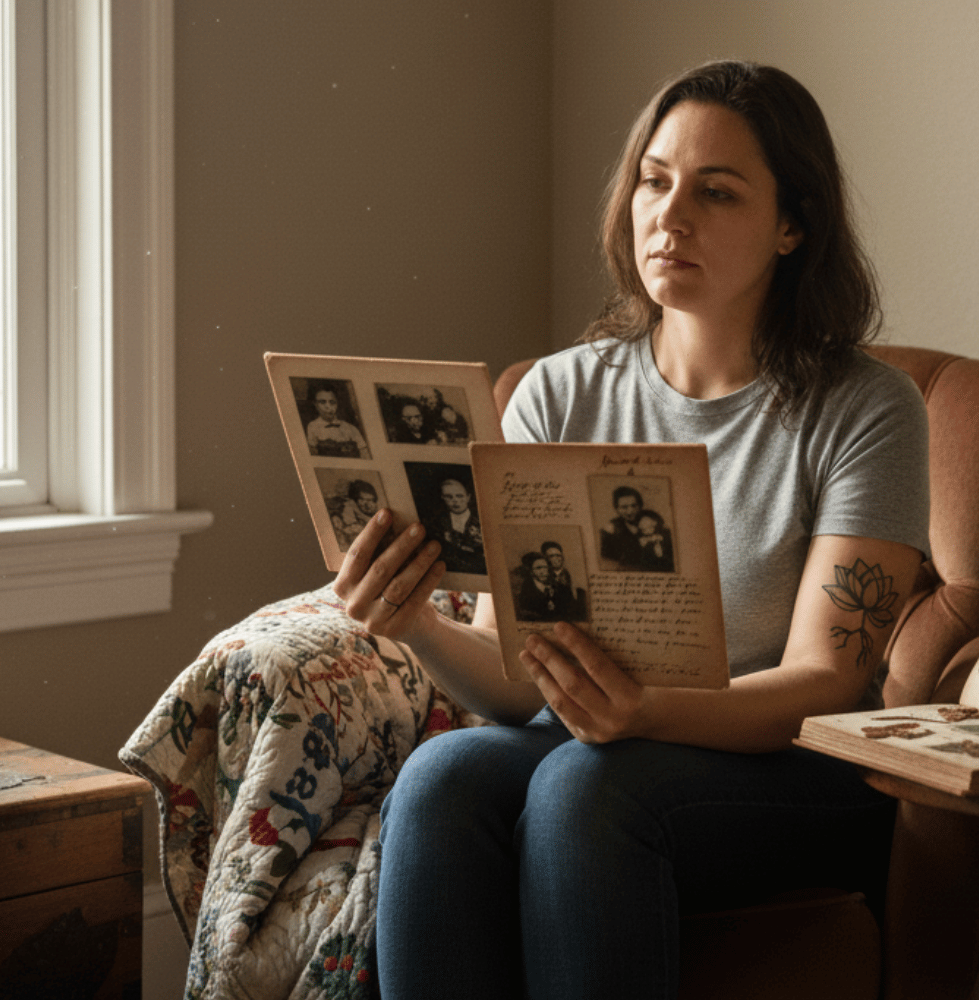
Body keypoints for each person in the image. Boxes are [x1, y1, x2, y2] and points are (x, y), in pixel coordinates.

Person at [333, 60, 928, 1000]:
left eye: (716, 191)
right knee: (443, 774)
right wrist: (414, 621)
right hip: (605, 745)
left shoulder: (867, 409)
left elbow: (829, 682)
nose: (671, 214)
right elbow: (515, 677)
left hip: (786, 770)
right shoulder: (558, 392)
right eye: (654, 180)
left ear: (792, 225)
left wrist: (642, 712)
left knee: (583, 788)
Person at [426, 476, 485, 574]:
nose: (455, 500)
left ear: (468, 497)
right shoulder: (438, 523)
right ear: (443, 497)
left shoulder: (480, 519)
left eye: (460, 496)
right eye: (449, 497)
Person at [304, 384, 371, 459]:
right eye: (322, 402)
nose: (328, 406)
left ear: (337, 403)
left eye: (332, 402)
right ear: (315, 404)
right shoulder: (312, 426)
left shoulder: (350, 428)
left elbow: (365, 454)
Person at [598, 485, 647, 569]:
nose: (630, 511)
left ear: (640, 506)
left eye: (634, 506)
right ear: (617, 509)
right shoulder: (611, 529)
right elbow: (608, 560)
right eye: (624, 507)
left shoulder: (652, 522)